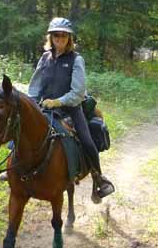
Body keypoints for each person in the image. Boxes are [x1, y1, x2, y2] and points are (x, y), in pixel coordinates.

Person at [26, 17, 115, 202]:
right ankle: (17, 169)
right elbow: (35, 86)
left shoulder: (76, 59)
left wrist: (56, 102)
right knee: (23, 132)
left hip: (71, 110)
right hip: (46, 109)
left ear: (69, 38)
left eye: (63, 35)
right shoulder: (45, 58)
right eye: (56, 35)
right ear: (50, 37)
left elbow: (78, 93)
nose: (59, 38)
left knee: (87, 140)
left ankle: (99, 178)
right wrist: (33, 104)